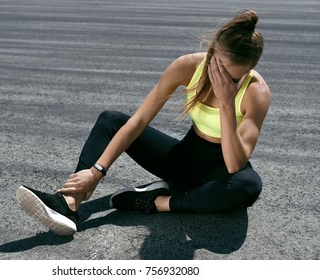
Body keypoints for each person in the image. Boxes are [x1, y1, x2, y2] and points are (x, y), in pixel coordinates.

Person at [16, 9, 270, 236]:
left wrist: (227, 103)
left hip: (221, 172)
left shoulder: (257, 92)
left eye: (235, 77)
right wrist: (96, 172)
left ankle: (157, 202)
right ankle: (69, 203)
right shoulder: (187, 66)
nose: (225, 80)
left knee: (248, 186)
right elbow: (138, 121)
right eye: (221, 70)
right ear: (213, 51)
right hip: (183, 160)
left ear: (250, 69)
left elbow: (235, 165)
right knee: (110, 119)